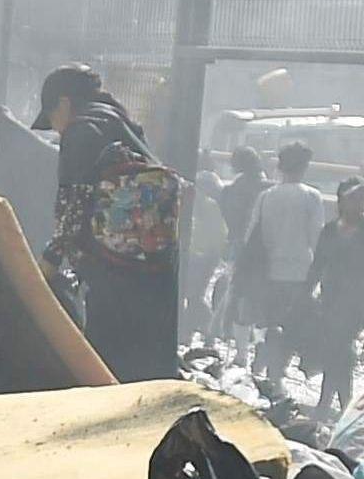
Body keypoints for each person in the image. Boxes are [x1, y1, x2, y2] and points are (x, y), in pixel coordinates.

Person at [31, 62, 178, 381]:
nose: (56, 129)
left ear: (65, 103)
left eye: (52, 117)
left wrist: (48, 263)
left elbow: (74, 206)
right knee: (144, 364)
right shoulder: (125, 126)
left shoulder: (80, 131)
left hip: (111, 269)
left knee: (105, 360)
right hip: (155, 265)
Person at [236, 140, 329, 392]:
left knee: (271, 323)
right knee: (293, 326)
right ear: (305, 167)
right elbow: (317, 239)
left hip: (270, 273)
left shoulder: (266, 197)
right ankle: (277, 374)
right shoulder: (312, 197)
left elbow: (251, 237)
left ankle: (266, 366)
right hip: (301, 275)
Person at [305, 175, 364, 413]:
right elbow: (317, 266)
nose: (358, 204)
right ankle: (342, 404)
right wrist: (304, 294)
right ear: (341, 201)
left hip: (357, 305)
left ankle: (329, 403)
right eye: (353, 199)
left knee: (339, 347)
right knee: (337, 350)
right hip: (330, 301)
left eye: (362, 199)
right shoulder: (330, 231)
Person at [206, 144, 267, 342]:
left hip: (236, 242)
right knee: (240, 290)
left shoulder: (231, 190)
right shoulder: (263, 187)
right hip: (257, 246)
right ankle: (219, 329)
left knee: (235, 288)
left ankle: (221, 330)